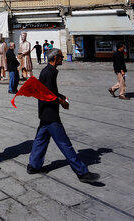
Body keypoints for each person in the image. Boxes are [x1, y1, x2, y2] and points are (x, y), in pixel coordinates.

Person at [27, 49, 100, 184]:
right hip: (50, 114)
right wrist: (61, 102)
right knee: (65, 144)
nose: (62, 58)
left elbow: (50, 91)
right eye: (61, 57)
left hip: (45, 113)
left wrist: (61, 96)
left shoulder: (48, 71)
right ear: (55, 58)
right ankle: (82, 172)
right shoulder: (49, 73)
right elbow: (48, 95)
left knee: (40, 140)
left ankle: (34, 166)